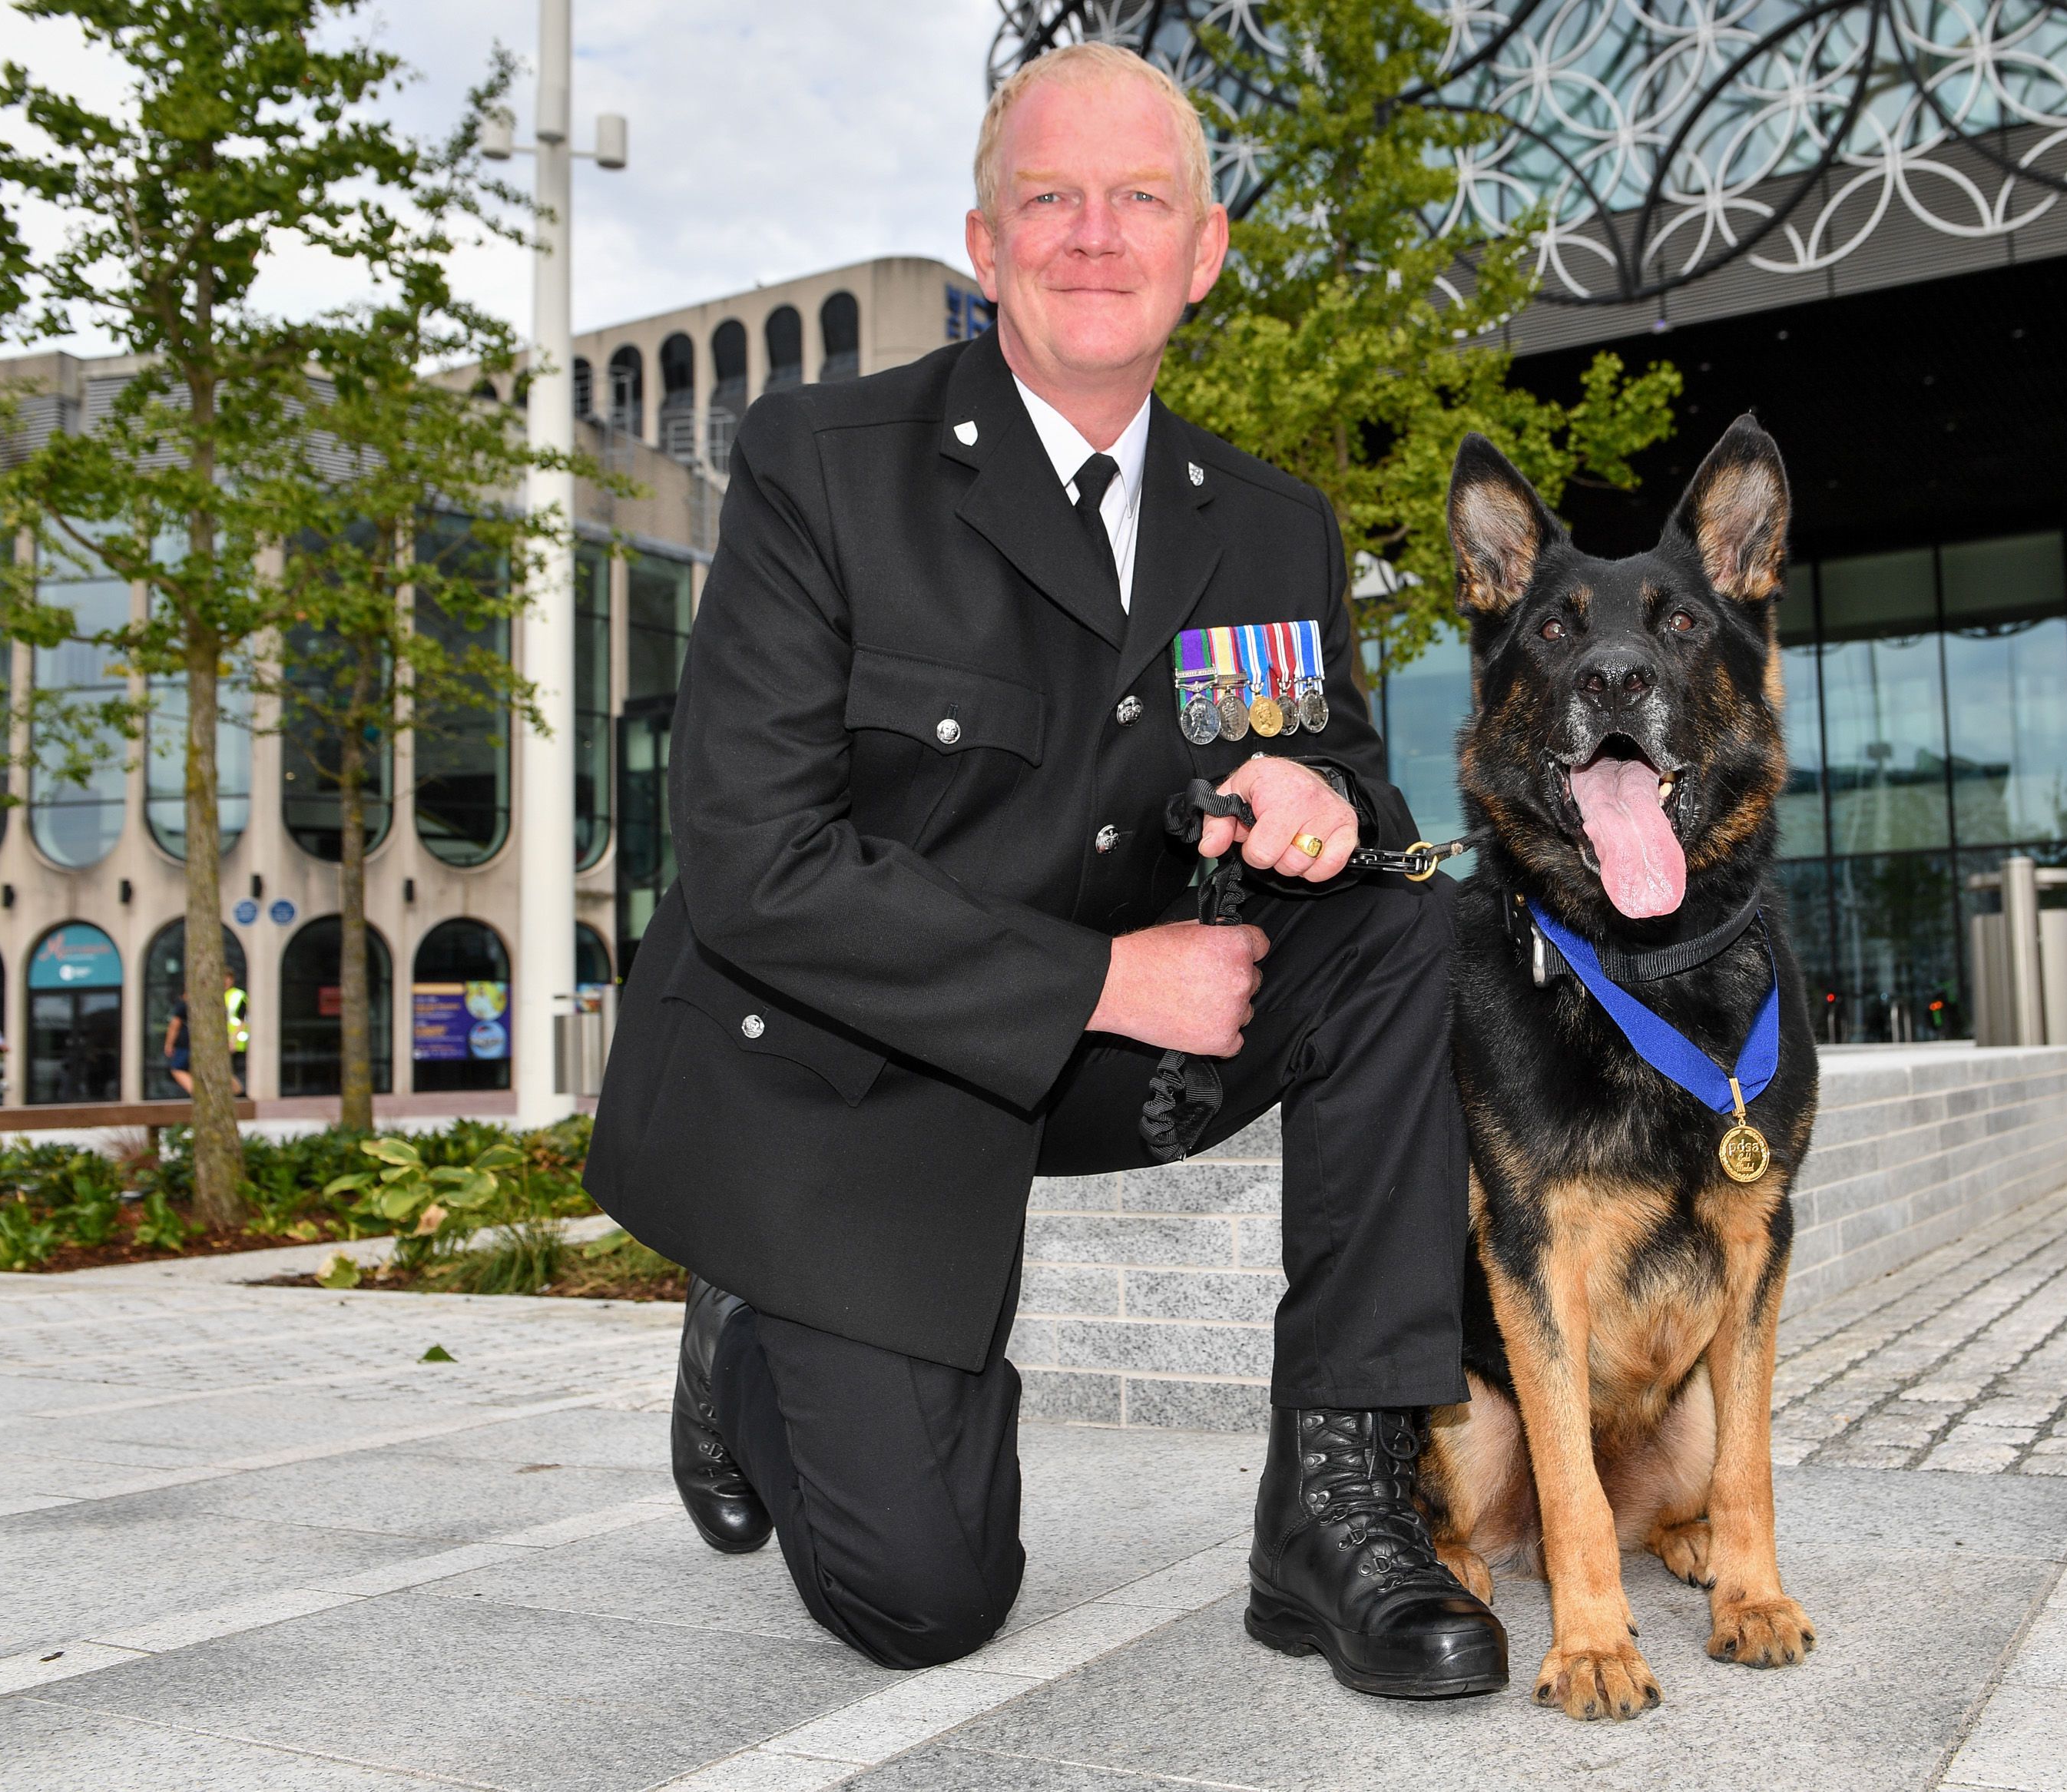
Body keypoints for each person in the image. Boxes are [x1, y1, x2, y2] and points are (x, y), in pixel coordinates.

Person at [584, 42, 1503, 1698]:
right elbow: (751, 864)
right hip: (844, 1063)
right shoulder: (821, 463)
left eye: (1138, 197)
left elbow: (1354, 787)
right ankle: (755, 1303)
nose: (1096, 233)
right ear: (986, 243)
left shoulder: (1276, 523)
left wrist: (1320, 796)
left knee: (1403, 922)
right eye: (1049, 199)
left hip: (1122, 1039)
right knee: (927, 1596)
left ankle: (1338, 1496)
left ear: (1202, 250)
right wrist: (1103, 977)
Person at [159, 983, 248, 1097]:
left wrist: (169, 1044)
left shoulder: (184, 1005)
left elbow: (174, 1026)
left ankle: (200, 1095)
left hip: (187, 1045)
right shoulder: (210, 1004)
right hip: (210, 1043)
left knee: (178, 1069)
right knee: (217, 1069)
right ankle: (240, 1094)